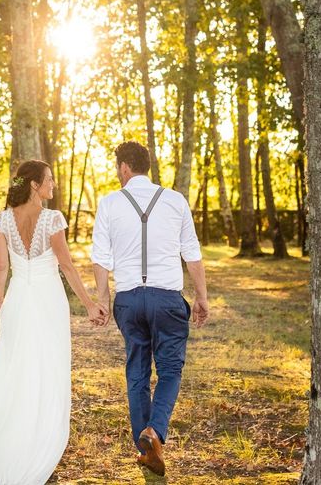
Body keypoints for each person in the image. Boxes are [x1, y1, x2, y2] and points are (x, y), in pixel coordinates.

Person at [0, 160, 108, 485]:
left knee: (12, 368)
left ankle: (6, 436)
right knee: (45, 366)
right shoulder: (52, 220)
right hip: (46, 300)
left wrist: (2, 300)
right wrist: (89, 305)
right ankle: (33, 439)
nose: (53, 185)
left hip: (17, 300)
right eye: (49, 180)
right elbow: (67, 267)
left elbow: (2, 267)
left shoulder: (4, 221)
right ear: (34, 185)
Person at [91, 141, 210, 477]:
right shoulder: (174, 200)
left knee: (137, 373)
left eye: (118, 168)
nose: (118, 173)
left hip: (128, 300)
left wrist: (103, 300)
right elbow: (192, 253)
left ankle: (146, 449)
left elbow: (101, 259)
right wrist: (201, 297)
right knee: (170, 370)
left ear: (125, 167)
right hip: (167, 299)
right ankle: (154, 432)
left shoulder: (110, 203)